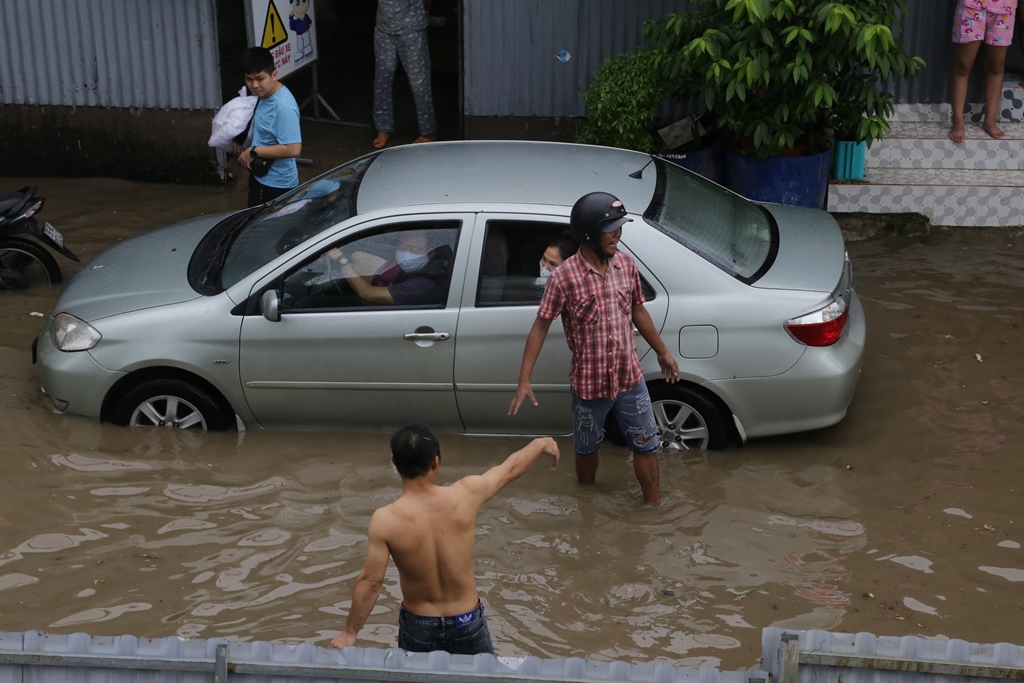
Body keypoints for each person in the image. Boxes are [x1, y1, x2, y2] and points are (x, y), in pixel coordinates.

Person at [508, 192, 680, 505]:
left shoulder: (626, 266)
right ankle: (586, 505)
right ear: (588, 233)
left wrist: (662, 351)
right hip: (589, 385)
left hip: (630, 378)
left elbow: (638, 311)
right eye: (611, 228)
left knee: (646, 444)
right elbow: (541, 326)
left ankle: (653, 507)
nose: (618, 234)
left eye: (619, 227)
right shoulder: (563, 279)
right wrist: (524, 380)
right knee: (586, 448)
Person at [330, 423, 560, 655]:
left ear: (393, 461)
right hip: (467, 621)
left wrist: (350, 632)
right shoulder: (466, 494)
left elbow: (371, 582)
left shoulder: (385, 520)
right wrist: (540, 444)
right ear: (436, 461)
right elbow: (509, 469)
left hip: (419, 626)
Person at [237, 47, 303, 207]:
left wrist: (253, 151)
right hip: (261, 175)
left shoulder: (283, 107)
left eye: (260, 78)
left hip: (275, 186)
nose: (254, 85)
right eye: (249, 79)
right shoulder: (265, 94)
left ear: (274, 75)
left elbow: (294, 149)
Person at [949, 0, 1019, 142]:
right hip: (971, 6)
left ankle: (989, 121)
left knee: (997, 66)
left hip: (1004, 8)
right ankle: (958, 120)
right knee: (963, 65)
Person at [372, 0, 438, 149]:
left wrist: (426, 12)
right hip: (384, 28)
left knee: (419, 82)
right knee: (382, 80)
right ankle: (383, 129)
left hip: (412, 28)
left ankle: (429, 132)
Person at [329, 231, 451, 305]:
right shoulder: (438, 260)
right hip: (401, 282)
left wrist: (342, 261)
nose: (406, 254)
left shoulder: (422, 286)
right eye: (403, 247)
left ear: (430, 252)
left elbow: (367, 294)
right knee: (357, 257)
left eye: (414, 250)